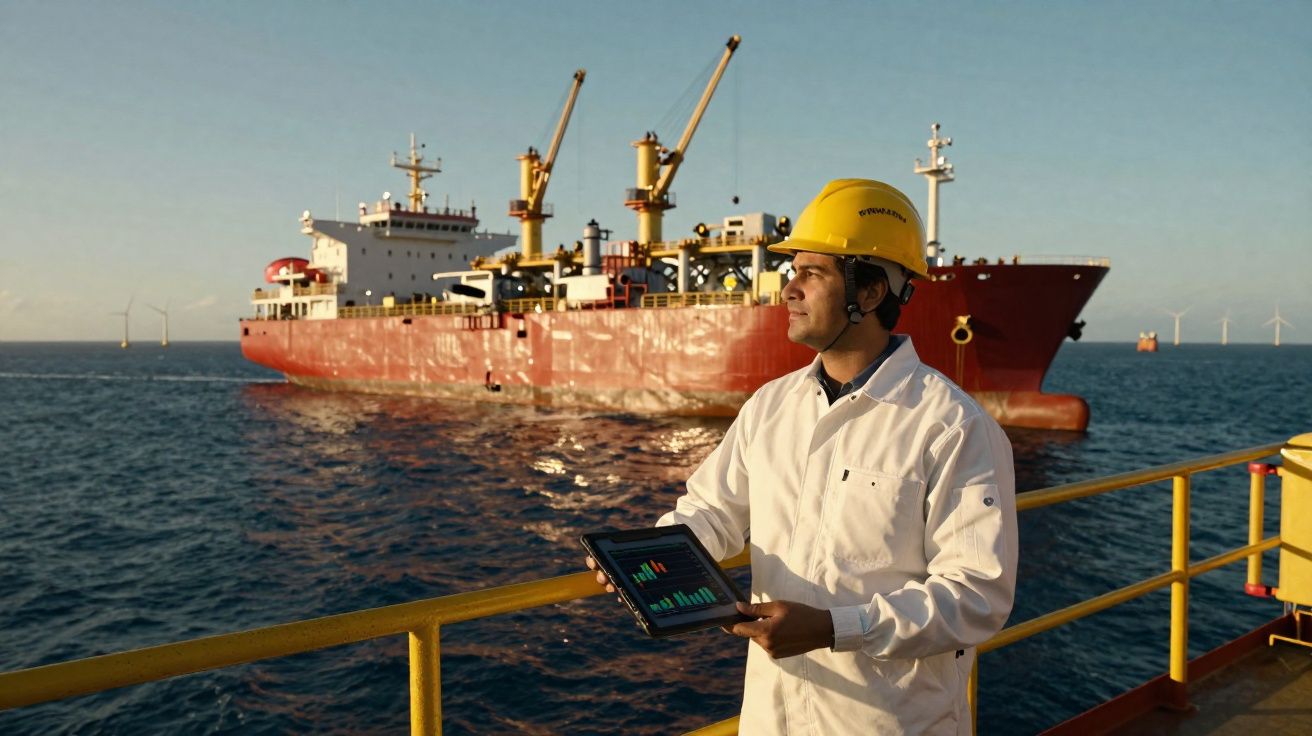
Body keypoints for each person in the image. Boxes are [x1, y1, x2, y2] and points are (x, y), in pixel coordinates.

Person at [588, 178, 1017, 734]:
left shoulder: (952, 426)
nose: (788, 289)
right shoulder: (772, 406)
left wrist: (837, 627)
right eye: (793, 271)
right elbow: (713, 511)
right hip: (773, 719)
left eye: (811, 274)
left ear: (869, 292)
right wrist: (647, 557)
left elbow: (976, 596)